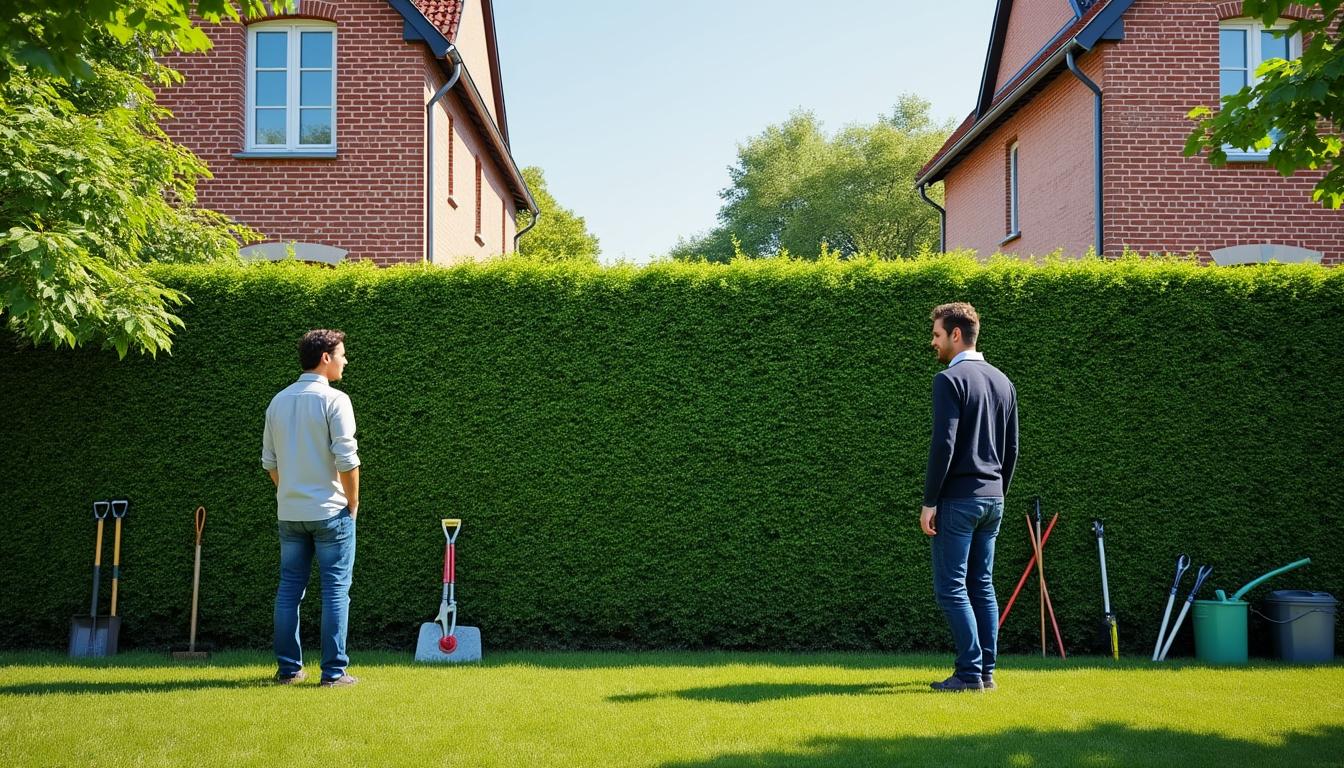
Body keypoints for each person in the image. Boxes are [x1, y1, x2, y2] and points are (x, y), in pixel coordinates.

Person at [921, 303, 1018, 692]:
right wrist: (998, 493)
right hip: (993, 498)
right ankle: (986, 673)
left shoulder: (949, 380)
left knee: (952, 588)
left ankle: (968, 673)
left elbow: (943, 444)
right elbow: (1012, 449)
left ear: (956, 335)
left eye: (937, 334)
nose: (933, 342)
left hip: (959, 499)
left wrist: (930, 501)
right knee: (982, 585)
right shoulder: (1003, 381)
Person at [262, 329, 361, 687]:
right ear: (325, 358)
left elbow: (269, 462)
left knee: (289, 589)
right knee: (335, 591)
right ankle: (333, 673)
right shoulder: (336, 400)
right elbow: (347, 460)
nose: (345, 360)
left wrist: (290, 491)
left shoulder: (277, 401)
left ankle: (289, 670)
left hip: (290, 513)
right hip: (331, 512)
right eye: (342, 354)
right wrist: (353, 502)